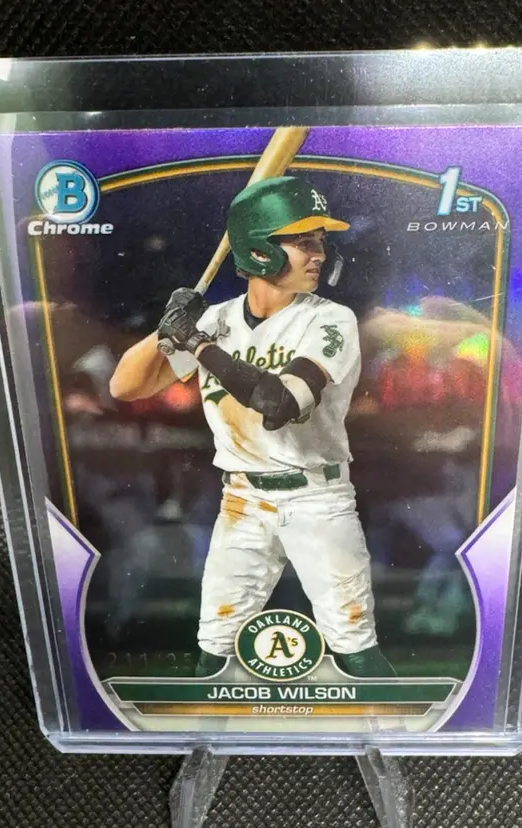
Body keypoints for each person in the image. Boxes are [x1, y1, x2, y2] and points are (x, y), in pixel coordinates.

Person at [110, 176, 395, 678]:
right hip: (241, 501)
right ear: (261, 250)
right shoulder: (216, 320)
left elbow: (278, 402)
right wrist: (167, 328)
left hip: (317, 498)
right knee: (214, 651)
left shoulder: (331, 320)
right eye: (303, 241)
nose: (319, 254)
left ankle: (400, 723)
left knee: (355, 648)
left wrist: (198, 345)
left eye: (320, 241)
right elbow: (125, 387)